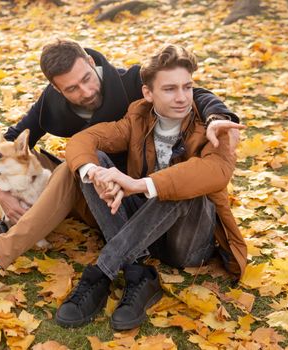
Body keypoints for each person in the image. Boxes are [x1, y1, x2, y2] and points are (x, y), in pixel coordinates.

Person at [0, 39, 244, 299]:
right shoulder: (51, 103)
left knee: (70, 167)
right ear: (56, 89)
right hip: (91, 181)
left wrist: (218, 115)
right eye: (72, 89)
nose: (84, 91)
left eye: (86, 79)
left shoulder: (132, 82)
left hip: (122, 198)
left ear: (93, 63)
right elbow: (12, 141)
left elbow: (195, 93)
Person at [55, 43, 247, 330]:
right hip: (143, 231)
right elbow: (83, 141)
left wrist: (140, 184)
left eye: (187, 87)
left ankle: (103, 272)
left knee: (184, 183)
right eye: (170, 89)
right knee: (97, 165)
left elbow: (216, 172)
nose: (182, 98)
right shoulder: (138, 118)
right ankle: (139, 271)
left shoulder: (212, 126)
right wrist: (95, 172)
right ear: (148, 93)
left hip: (187, 244)